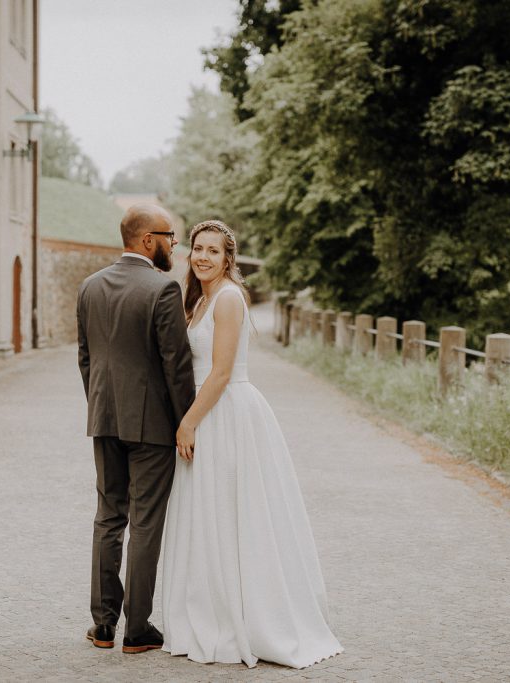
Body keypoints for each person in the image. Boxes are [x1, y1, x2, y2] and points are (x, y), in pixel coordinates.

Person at [161, 220, 343, 668]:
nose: (202, 257)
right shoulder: (201, 298)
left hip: (225, 414)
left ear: (228, 259)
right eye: (197, 249)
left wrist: (188, 424)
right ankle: (210, 606)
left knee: (234, 512)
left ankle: (247, 616)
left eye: (212, 251)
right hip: (209, 410)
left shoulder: (227, 299)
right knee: (209, 515)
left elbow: (221, 372)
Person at [76, 203, 195, 654]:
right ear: (148, 240)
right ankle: (138, 629)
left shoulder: (90, 287)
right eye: (170, 236)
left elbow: (86, 358)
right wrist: (186, 423)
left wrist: (102, 404)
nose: (173, 245)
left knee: (108, 518)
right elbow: (176, 367)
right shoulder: (163, 289)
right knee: (145, 523)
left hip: (104, 419)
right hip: (152, 427)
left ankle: (103, 626)